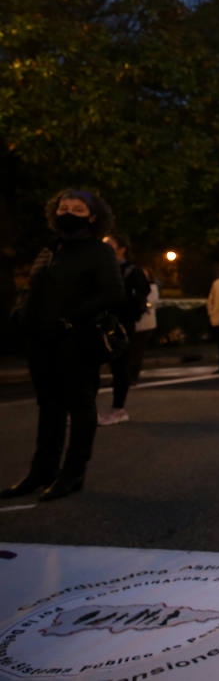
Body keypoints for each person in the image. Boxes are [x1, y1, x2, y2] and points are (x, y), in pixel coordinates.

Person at [1, 190, 123, 502]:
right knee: (49, 407)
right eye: (63, 208)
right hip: (42, 341)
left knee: (80, 407)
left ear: (92, 217)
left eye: (77, 209)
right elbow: (33, 287)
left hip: (77, 341)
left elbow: (111, 294)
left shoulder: (99, 252)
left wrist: (69, 318)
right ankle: (41, 472)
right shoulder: (49, 249)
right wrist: (22, 312)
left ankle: (73, 473)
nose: (67, 213)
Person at [98, 234, 151, 426]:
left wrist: (129, 315)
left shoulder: (131, 271)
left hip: (120, 325)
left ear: (121, 249)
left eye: (109, 246)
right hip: (96, 323)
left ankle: (118, 409)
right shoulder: (97, 269)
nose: (105, 249)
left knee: (120, 367)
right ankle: (85, 409)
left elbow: (142, 294)